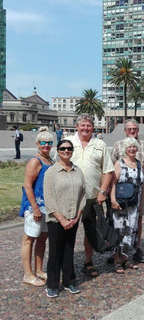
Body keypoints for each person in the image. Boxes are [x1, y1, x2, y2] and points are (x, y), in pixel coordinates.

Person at [63, 114, 114, 277]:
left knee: (90, 231)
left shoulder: (100, 144)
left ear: (93, 127)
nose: (85, 128)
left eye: (89, 126)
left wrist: (103, 192)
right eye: (83, 125)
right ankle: (66, 263)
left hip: (92, 197)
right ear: (77, 126)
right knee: (68, 230)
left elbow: (108, 170)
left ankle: (87, 262)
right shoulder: (68, 143)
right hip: (70, 197)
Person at [44, 139, 86, 298]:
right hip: (56, 220)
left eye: (69, 148)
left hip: (73, 218)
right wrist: (61, 219)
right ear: (58, 151)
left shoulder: (78, 171)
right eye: (63, 149)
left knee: (69, 251)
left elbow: (83, 194)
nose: (66, 151)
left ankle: (69, 281)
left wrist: (76, 216)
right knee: (55, 252)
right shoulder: (51, 172)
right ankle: (52, 284)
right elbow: (49, 198)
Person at [110, 119, 144, 264]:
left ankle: (135, 248)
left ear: (138, 130)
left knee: (137, 218)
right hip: (120, 192)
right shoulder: (118, 145)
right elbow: (110, 169)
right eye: (129, 129)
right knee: (118, 220)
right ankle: (118, 251)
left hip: (138, 191)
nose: (132, 131)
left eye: (134, 129)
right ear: (125, 130)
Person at [19, 127, 55, 287]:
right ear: (37, 143)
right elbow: (27, 185)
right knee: (29, 239)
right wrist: (34, 207)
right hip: (36, 207)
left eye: (49, 142)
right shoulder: (35, 160)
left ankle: (39, 270)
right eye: (43, 142)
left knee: (42, 239)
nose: (46, 145)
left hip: (48, 208)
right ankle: (28, 274)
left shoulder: (50, 160)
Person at [110, 137, 144, 273]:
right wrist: (112, 200)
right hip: (120, 204)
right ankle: (116, 260)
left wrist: (140, 204)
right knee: (119, 230)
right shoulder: (119, 163)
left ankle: (125, 258)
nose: (132, 149)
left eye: (134, 147)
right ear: (125, 149)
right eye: (129, 147)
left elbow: (141, 187)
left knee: (131, 230)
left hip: (133, 205)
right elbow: (112, 183)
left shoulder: (140, 164)